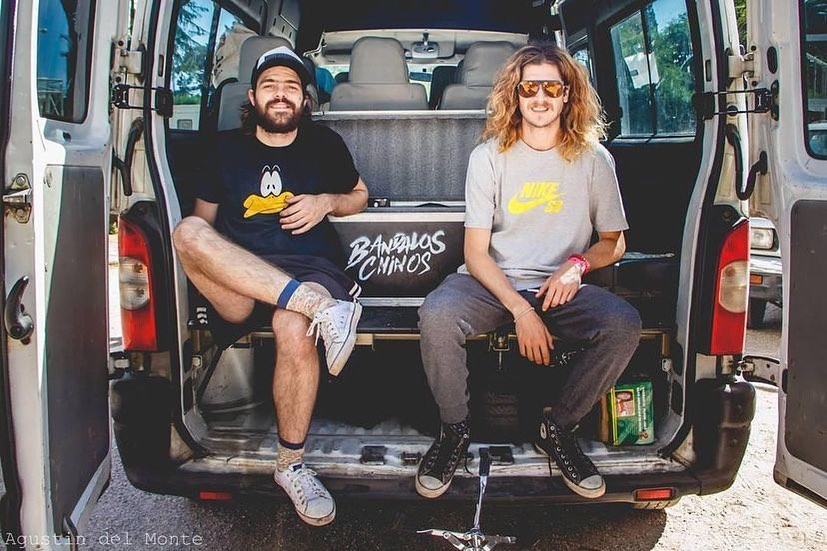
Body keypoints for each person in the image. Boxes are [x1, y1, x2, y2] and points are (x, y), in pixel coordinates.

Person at [415, 43, 641, 500]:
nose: (540, 97)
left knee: (623, 324)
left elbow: (614, 242)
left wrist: (577, 266)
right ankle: (454, 430)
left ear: (567, 94)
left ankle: (557, 427)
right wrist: (522, 311)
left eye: (551, 88)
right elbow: (476, 253)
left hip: (560, 287)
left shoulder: (594, 159)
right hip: (491, 282)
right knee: (437, 315)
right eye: (529, 88)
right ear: (514, 95)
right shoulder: (489, 156)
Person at [172, 46, 368, 526]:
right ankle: (318, 308)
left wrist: (326, 202)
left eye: (291, 87)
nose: (281, 95)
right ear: (253, 96)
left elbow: (360, 195)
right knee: (187, 232)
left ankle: (290, 465)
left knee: (292, 325)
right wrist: (219, 266)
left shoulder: (324, 144)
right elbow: (202, 227)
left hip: (311, 266)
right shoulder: (223, 149)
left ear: (305, 99)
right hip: (243, 278)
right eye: (270, 85)